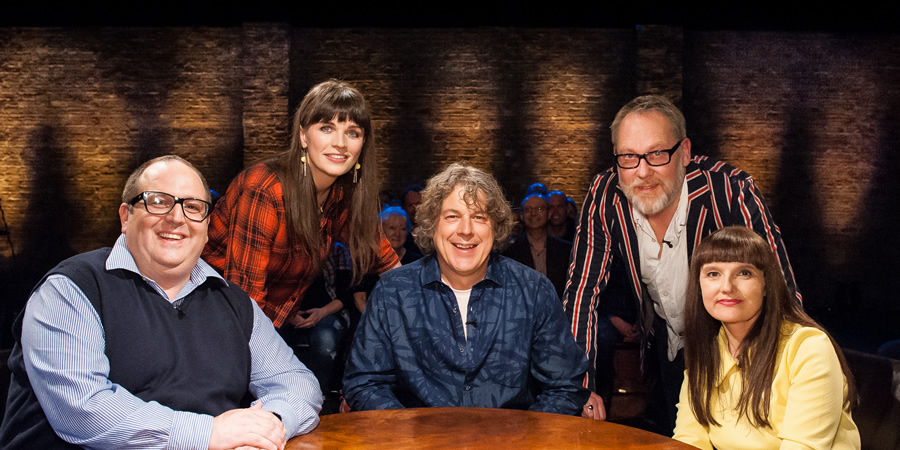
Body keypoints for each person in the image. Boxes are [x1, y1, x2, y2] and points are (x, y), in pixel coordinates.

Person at [0, 155, 322, 449]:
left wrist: (268, 426)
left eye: (193, 207)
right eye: (158, 202)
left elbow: (297, 383)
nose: (176, 218)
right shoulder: (71, 290)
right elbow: (83, 408)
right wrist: (209, 433)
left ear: (207, 227)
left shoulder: (234, 303)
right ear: (126, 217)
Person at [564, 95, 801, 434]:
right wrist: (580, 384)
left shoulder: (729, 191)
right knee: (673, 432)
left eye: (658, 154)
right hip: (665, 343)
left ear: (685, 152)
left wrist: (787, 373)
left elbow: (780, 288)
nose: (642, 172)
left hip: (737, 346)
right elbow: (582, 293)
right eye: (629, 156)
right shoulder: (605, 194)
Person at [343, 163, 596, 418]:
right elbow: (364, 383)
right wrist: (410, 438)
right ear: (432, 226)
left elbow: (564, 386)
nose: (465, 230)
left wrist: (523, 441)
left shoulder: (533, 291)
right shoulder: (393, 292)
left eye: (479, 217)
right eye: (452, 216)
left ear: (495, 228)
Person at [202, 81, 400, 385]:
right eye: (326, 128)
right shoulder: (265, 188)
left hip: (271, 322)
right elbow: (245, 303)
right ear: (303, 136)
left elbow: (387, 262)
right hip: (215, 328)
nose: (340, 144)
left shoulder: (342, 196)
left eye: (352, 133)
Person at [673, 226, 859, 449]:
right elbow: (688, 440)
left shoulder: (808, 348)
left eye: (744, 273)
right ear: (699, 284)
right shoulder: (706, 351)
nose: (726, 287)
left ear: (766, 285)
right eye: (713, 274)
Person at [502, 193, 572, 300]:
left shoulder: (566, 250)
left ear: (549, 214)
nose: (533, 213)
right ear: (521, 215)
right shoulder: (508, 252)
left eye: (539, 208)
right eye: (528, 209)